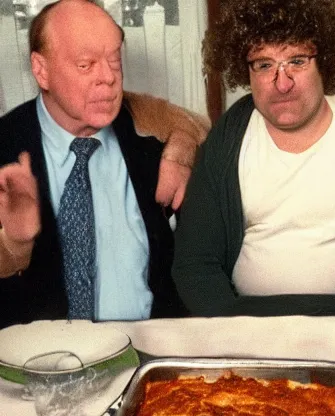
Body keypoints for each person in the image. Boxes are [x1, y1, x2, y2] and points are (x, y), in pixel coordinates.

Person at [172, 0, 335, 317]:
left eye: (297, 62)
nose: (282, 83)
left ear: (324, 62)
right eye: (264, 65)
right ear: (246, 71)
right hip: (248, 325)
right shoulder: (228, 139)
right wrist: (233, 325)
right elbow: (194, 263)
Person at [0, 0, 207, 328]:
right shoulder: (6, 148)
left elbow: (206, 135)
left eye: (114, 59)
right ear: (41, 70)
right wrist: (15, 245)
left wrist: (181, 153)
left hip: (152, 350)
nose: (109, 78)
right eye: (86, 65)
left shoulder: (148, 132)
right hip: (43, 366)